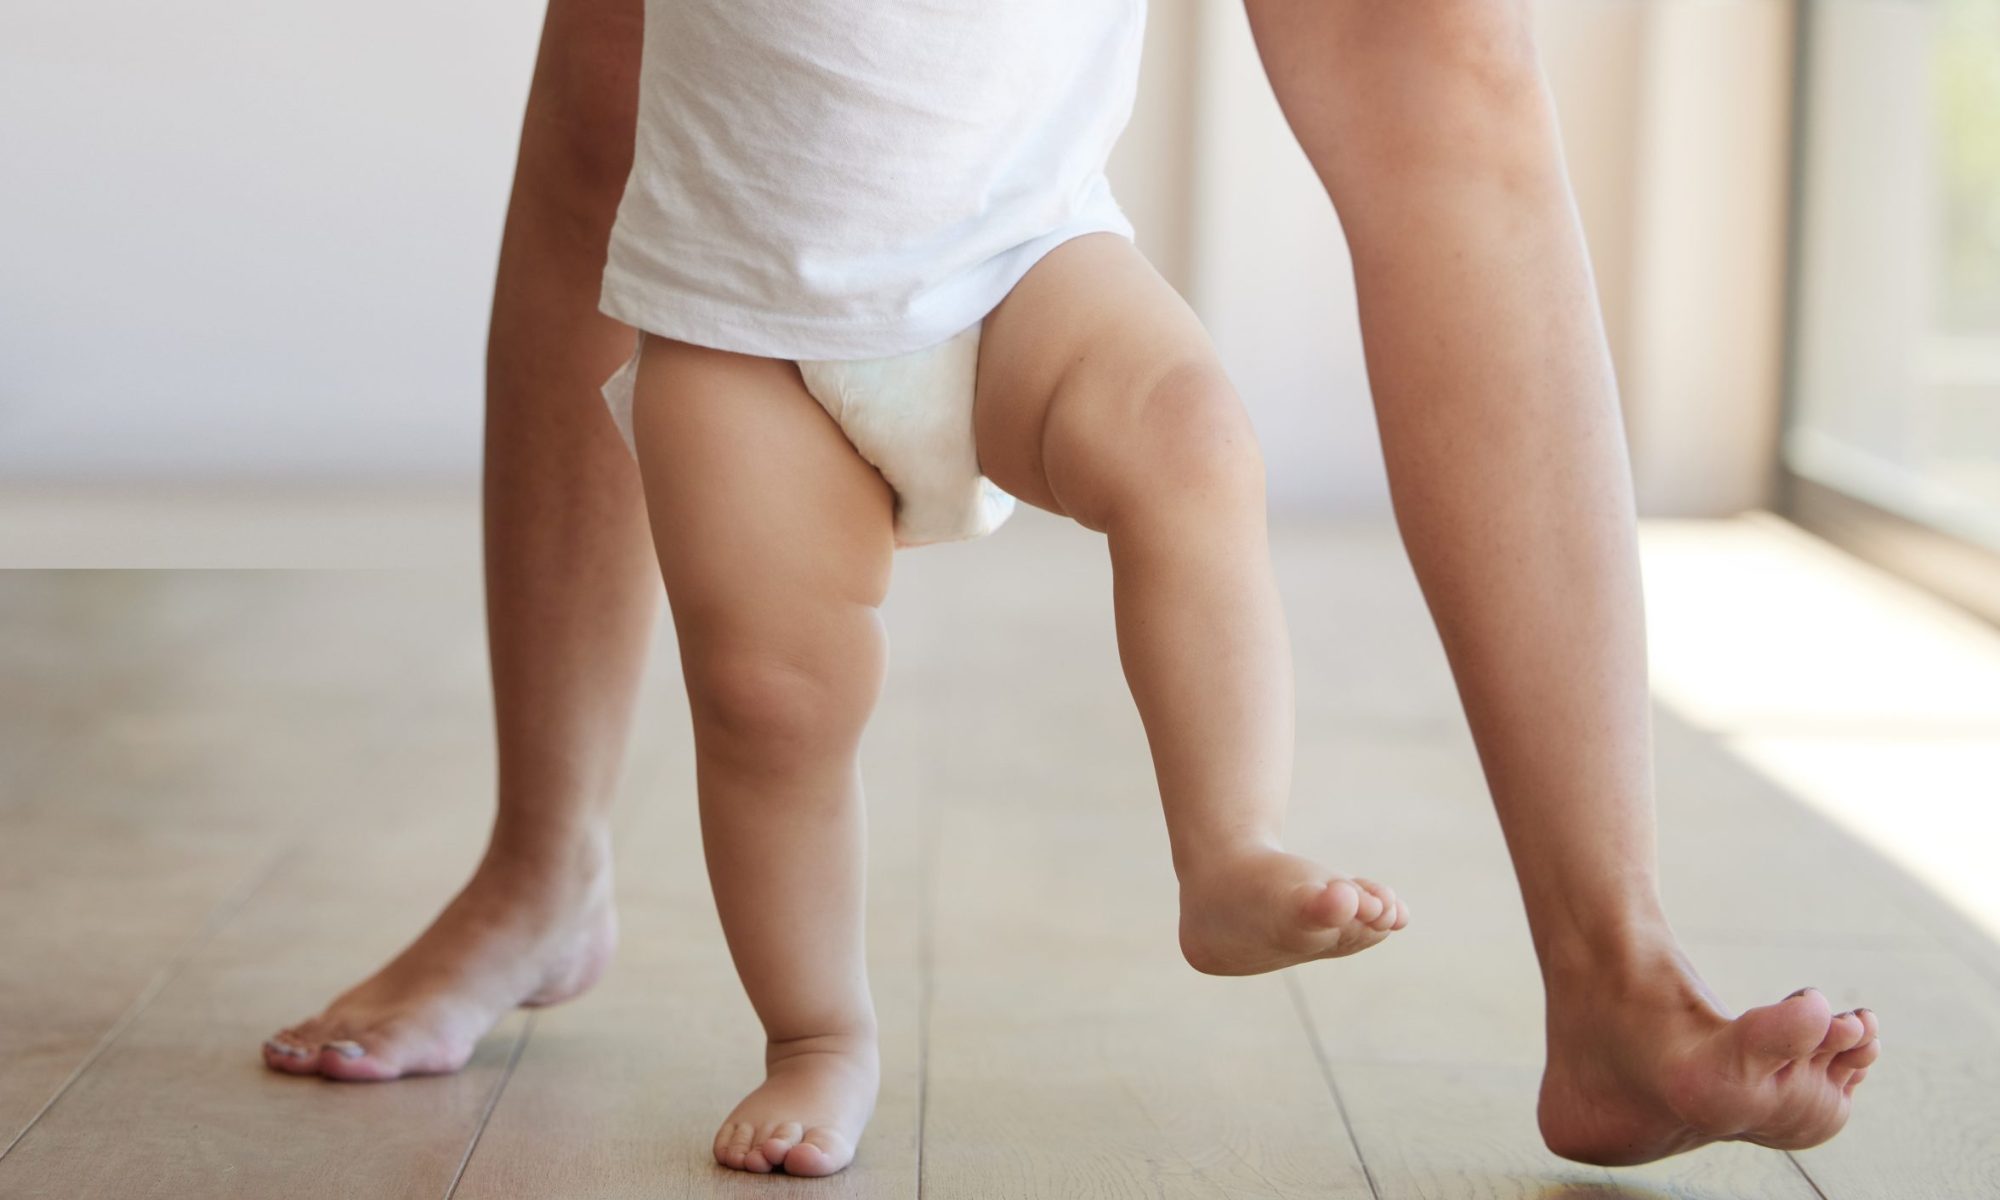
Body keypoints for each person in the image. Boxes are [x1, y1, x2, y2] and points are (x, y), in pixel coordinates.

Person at [261, 0, 1880, 1177]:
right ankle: (657, 935)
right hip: (728, 304)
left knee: (1392, 107)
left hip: (1029, 253)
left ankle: (1515, 943)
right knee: (765, 687)